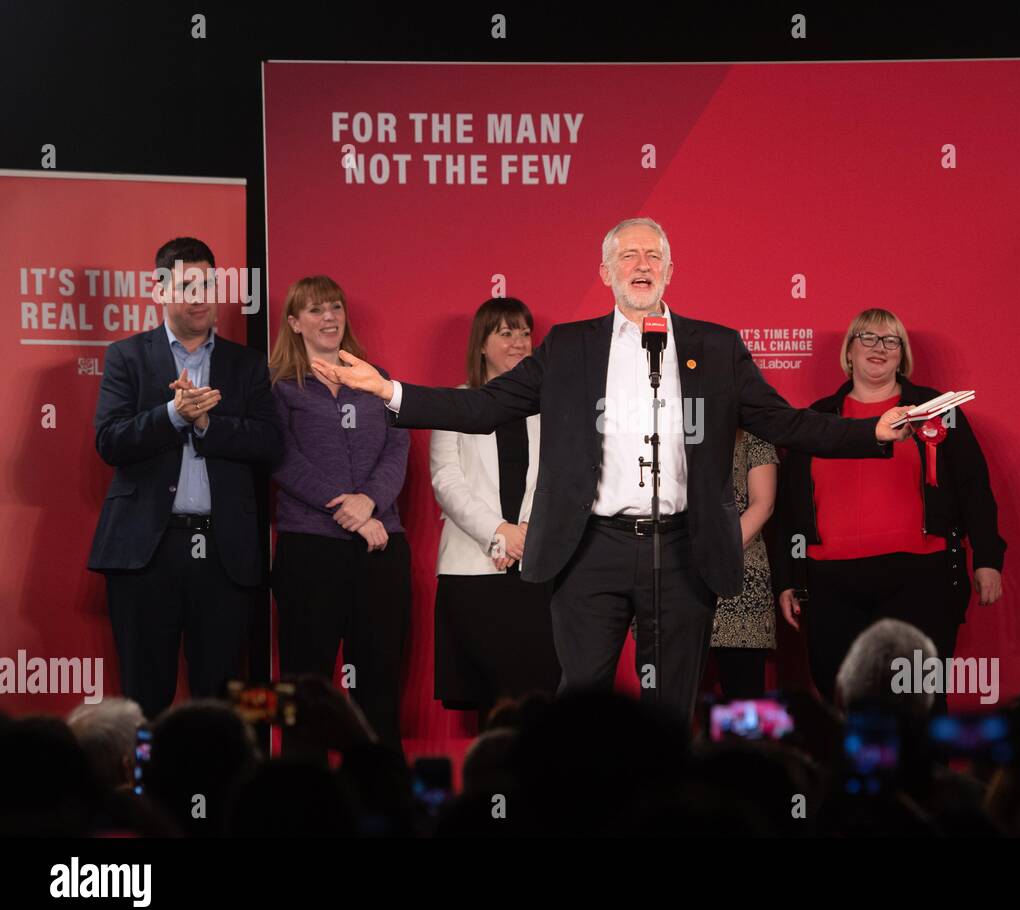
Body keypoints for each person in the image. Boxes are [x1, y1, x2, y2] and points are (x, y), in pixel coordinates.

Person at [312, 218, 913, 727]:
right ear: (606, 274)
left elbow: (784, 424)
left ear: (670, 272)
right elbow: (485, 407)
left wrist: (872, 430)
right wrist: (390, 391)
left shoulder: (718, 347)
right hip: (590, 549)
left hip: (682, 549)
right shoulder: (569, 349)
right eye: (628, 255)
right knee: (581, 707)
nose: (641, 263)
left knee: (672, 709)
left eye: (653, 255)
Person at [771, 307, 1005, 711]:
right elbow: (791, 505)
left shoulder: (938, 409)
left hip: (919, 577)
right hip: (829, 580)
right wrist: (788, 579)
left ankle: (924, 776)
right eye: (868, 338)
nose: (879, 348)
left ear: (902, 354)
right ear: (849, 352)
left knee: (918, 701)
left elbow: (973, 488)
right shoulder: (817, 419)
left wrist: (987, 558)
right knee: (839, 697)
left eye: (891, 340)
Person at [88, 237, 281, 719]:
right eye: (188, 284)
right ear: (159, 289)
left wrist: (207, 425)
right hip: (146, 552)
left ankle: (213, 795)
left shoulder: (247, 363)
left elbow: (269, 443)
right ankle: (143, 792)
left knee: (221, 703)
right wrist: (172, 415)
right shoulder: (126, 357)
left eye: (209, 284)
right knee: (142, 696)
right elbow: (109, 441)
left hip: (224, 554)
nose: (201, 296)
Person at [268, 276, 411, 752]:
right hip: (309, 549)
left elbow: (397, 446)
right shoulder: (279, 387)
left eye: (334, 308)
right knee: (302, 685)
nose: (328, 318)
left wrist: (369, 503)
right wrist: (347, 508)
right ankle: (300, 798)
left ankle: (379, 801)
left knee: (380, 683)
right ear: (294, 323)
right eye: (314, 311)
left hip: (380, 545)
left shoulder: (375, 379)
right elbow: (281, 458)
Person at [428, 298, 560, 714]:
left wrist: (525, 535)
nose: (520, 343)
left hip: (537, 571)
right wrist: (500, 533)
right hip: (473, 571)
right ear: (482, 344)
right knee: (488, 699)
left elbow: (560, 481)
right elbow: (447, 481)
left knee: (539, 697)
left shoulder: (552, 408)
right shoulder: (456, 403)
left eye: (525, 332)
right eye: (507, 333)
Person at [707, 430, 779, 699]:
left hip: (741, 579)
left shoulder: (754, 434)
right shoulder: (670, 428)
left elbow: (763, 504)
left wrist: (713, 556)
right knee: (669, 697)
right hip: (679, 576)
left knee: (744, 699)